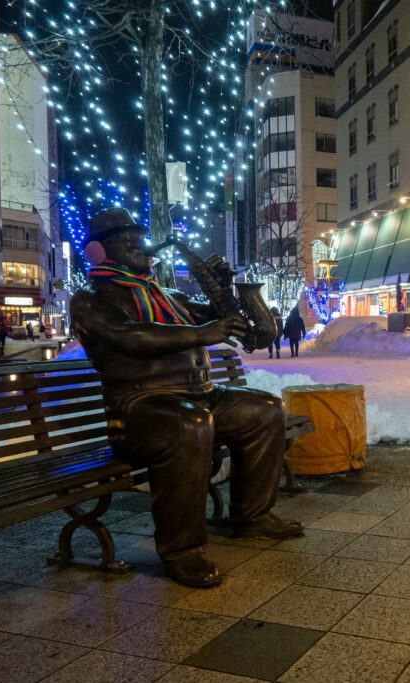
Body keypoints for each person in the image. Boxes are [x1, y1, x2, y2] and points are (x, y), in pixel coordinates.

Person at [70, 208, 301, 588]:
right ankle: (182, 550)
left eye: (139, 238)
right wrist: (202, 333)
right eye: (127, 241)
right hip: (139, 406)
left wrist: (223, 292)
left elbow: (215, 318)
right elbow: (132, 337)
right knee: (190, 425)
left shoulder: (167, 296)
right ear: (99, 252)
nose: (140, 246)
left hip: (200, 395)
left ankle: (253, 516)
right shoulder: (91, 298)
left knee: (265, 410)